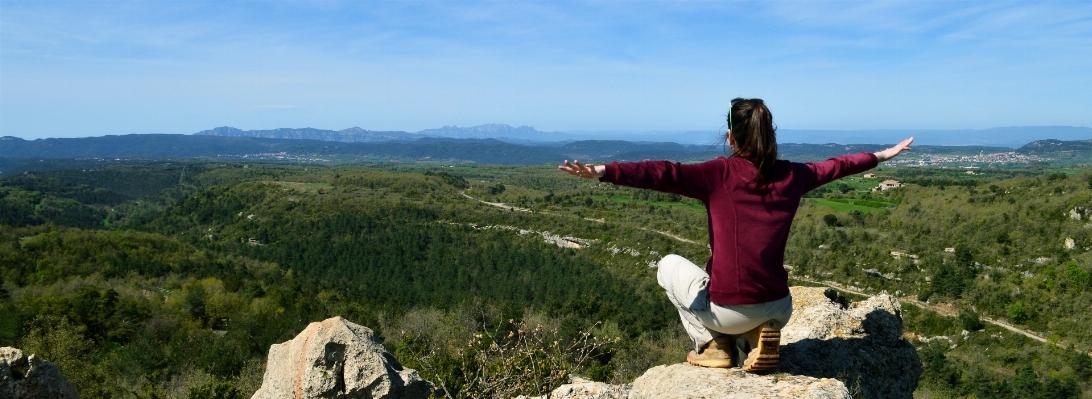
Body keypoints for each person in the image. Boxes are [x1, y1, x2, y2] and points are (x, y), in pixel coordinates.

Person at [559, 98, 912, 372]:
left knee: (668, 265)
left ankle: (712, 345)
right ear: (769, 136)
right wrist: (883, 154)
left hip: (728, 310)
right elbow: (839, 165)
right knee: (736, 298)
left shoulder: (719, 174)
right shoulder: (795, 175)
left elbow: (662, 173)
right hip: (779, 307)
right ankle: (755, 336)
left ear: (731, 137)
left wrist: (603, 171)